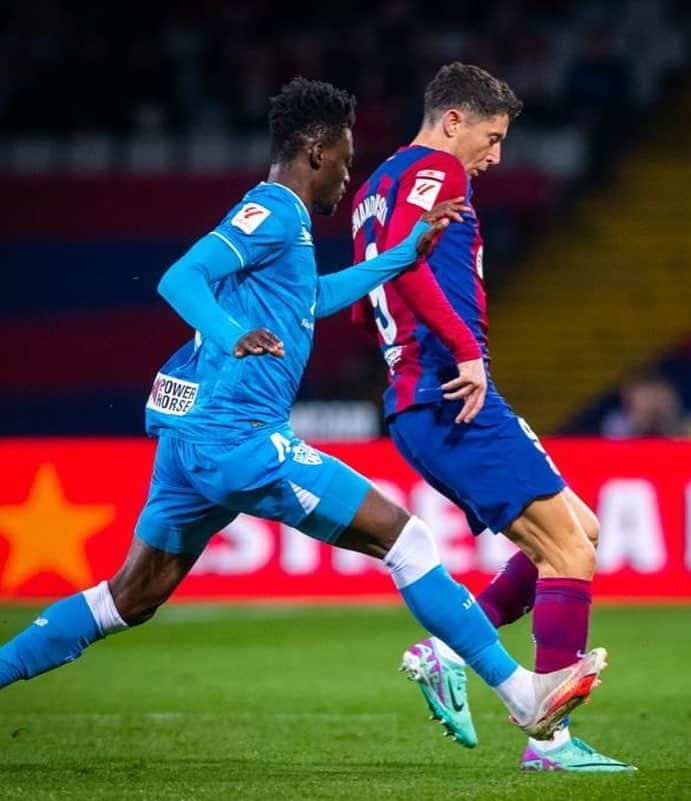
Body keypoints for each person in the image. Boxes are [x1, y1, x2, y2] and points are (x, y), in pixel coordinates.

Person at [0, 77, 608, 742]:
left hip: (191, 440)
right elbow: (181, 277)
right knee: (405, 539)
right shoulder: (272, 210)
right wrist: (232, 333)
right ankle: (522, 694)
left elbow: (312, 298)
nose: (349, 175)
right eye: (346, 159)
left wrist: (405, 255)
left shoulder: (289, 232)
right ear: (316, 150)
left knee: (129, 597)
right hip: (240, 438)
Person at [350, 63, 634, 772]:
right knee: (568, 553)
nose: (496, 155)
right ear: (453, 121)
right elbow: (405, 262)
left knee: (580, 530)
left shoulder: (370, 189)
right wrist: (464, 350)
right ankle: (550, 743)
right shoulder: (436, 172)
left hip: (422, 393)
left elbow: (367, 293)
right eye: (492, 135)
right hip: (451, 391)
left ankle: (446, 649)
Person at [601, 369, 691, 439]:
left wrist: (668, 423)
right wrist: (641, 423)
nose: (652, 400)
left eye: (657, 394)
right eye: (645, 395)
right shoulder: (616, 422)